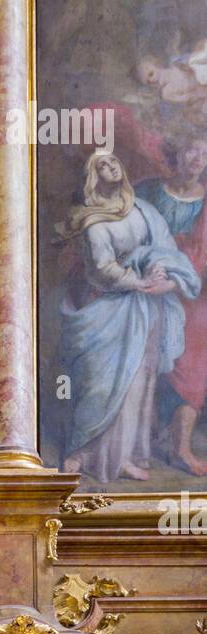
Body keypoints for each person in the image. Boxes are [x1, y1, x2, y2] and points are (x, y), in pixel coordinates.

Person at [58, 151, 200, 482]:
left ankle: (123, 456)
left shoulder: (144, 211)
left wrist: (164, 278)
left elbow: (166, 251)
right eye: (102, 165)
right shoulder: (94, 221)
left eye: (113, 162)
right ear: (93, 176)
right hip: (109, 310)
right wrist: (139, 281)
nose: (111, 167)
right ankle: (83, 451)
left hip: (145, 312)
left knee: (138, 385)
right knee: (103, 383)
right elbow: (104, 269)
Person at [138, 138, 207, 473]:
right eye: (193, 148)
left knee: (193, 359)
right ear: (177, 152)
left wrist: (179, 276)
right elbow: (127, 234)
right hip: (146, 281)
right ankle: (146, 437)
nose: (198, 158)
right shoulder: (148, 191)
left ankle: (180, 447)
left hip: (192, 288)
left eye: (206, 154)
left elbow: (202, 253)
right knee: (139, 352)